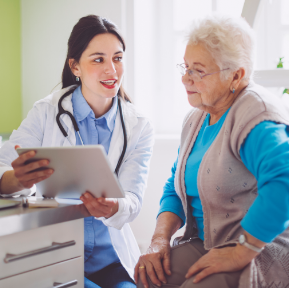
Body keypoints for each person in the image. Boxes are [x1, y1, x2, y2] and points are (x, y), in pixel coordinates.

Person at [134, 15, 289, 288]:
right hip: (208, 244)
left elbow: (284, 182)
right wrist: (159, 240)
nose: (185, 78)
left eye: (198, 70)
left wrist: (242, 251)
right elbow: (175, 186)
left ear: (236, 75)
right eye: (185, 66)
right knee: (148, 278)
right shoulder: (197, 117)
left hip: (258, 249)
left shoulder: (256, 116)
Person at [0, 15, 154, 288]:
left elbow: (133, 199)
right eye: (98, 59)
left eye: (117, 58)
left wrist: (113, 206)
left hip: (112, 260)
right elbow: (3, 166)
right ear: (75, 66)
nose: (112, 70)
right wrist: (19, 179)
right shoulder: (46, 112)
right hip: (57, 252)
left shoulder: (138, 126)